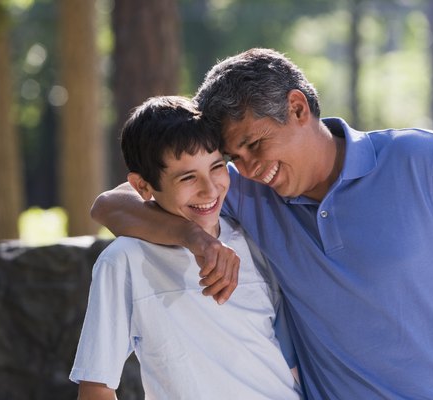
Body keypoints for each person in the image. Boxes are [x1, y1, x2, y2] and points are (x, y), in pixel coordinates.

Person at [91, 49, 433, 400]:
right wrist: (192, 237)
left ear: (298, 108)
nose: (250, 167)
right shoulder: (247, 192)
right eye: (234, 157)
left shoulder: (421, 160)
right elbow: (111, 203)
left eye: (256, 145)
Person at [70, 96, 302, 399]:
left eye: (217, 167)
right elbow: (96, 387)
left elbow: (288, 361)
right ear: (142, 187)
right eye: (188, 177)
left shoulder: (253, 241)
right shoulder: (124, 260)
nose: (209, 189)